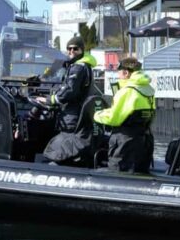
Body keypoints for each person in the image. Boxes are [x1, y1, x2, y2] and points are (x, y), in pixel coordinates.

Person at [39, 36, 97, 165]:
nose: (71, 51)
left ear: (82, 50)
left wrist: (50, 100)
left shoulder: (78, 67)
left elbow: (69, 90)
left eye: (75, 49)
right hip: (78, 113)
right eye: (69, 49)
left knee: (64, 143)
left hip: (72, 115)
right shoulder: (83, 66)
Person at [93, 57, 155, 173]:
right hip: (144, 140)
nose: (118, 76)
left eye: (119, 72)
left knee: (118, 175)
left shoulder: (126, 91)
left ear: (126, 72)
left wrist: (97, 115)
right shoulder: (148, 89)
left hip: (125, 143)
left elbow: (114, 118)